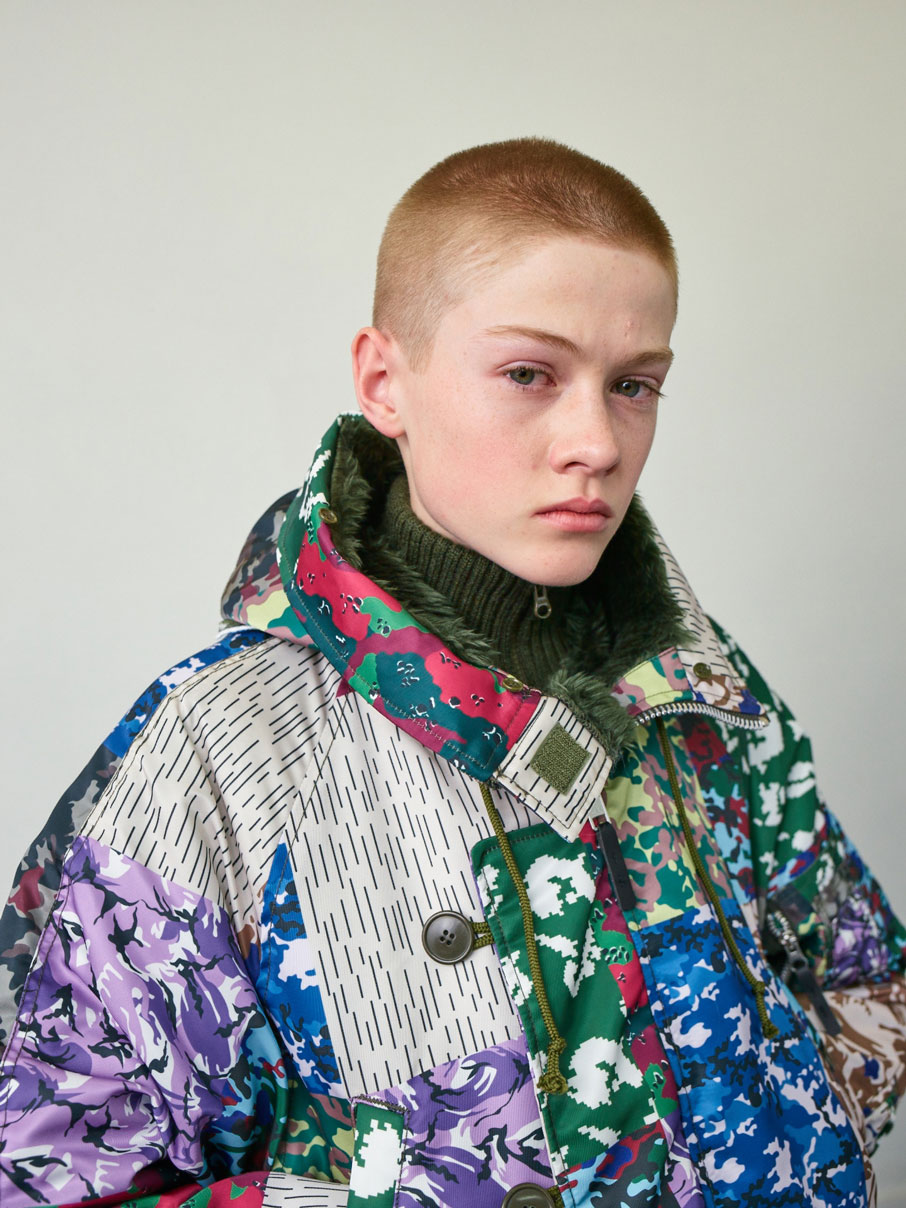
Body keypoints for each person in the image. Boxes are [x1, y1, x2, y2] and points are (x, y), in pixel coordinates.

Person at [0, 138, 903, 1208]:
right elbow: (53, 1170)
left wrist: (793, 1145)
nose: (596, 442)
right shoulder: (224, 745)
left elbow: (866, 976)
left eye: (634, 385)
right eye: (529, 373)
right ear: (385, 381)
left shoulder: (695, 694)